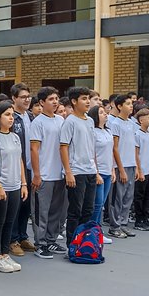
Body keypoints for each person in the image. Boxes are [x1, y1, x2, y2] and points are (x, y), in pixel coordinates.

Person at [0, 100, 27, 274]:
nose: (11, 118)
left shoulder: (15, 137)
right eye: (7, 115)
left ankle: (5, 253)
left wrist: (23, 183)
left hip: (15, 185)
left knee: (10, 221)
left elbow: (20, 161)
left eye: (12, 115)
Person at [59, 87, 100, 250]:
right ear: (74, 102)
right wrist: (68, 172)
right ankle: (72, 244)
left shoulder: (90, 120)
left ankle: (84, 242)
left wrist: (96, 171)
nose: (88, 101)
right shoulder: (70, 121)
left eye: (88, 98)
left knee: (88, 210)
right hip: (76, 172)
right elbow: (63, 147)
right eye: (83, 98)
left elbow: (92, 148)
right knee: (75, 211)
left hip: (90, 171)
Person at [30, 86, 66, 258]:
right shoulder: (37, 122)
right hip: (43, 174)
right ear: (42, 103)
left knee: (55, 210)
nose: (55, 102)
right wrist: (37, 174)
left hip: (59, 173)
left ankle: (51, 240)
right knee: (40, 212)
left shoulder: (60, 120)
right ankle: (40, 243)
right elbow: (34, 150)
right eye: (51, 99)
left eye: (56, 98)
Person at [8, 83, 35, 257]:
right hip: (16, 167)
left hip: (30, 167)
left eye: (28, 97)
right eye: (23, 97)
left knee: (26, 205)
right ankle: (13, 239)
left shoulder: (31, 116)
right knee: (16, 205)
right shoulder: (11, 118)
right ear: (14, 98)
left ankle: (23, 235)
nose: (27, 100)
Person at [108, 95, 137, 239]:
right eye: (128, 104)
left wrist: (136, 166)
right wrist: (120, 168)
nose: (131, 106)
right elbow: (115, 148)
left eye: (131, 104)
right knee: (118, 197)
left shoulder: (131, 123)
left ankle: (124, 224)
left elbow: (133, 146)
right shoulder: (115, 124)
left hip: (131, 164)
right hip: (121, 165)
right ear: (119, 106)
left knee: (128, 197)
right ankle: (115, 226)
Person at [89, 104, 115, 243]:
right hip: (97, 173)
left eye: (105, 112)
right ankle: (93, 230)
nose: (105, 114)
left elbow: (110, 151)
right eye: (101, 112)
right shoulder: (93, 132)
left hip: (108, 171)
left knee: (102, 203)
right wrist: (97, 173)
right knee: (97, 204)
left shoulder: (108, 131)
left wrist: (112, 170)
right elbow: (92, 154)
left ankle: (98, 231)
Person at [133, 107, 149, 231]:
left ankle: (145, 218)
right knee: (139, 196)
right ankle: (139, 219)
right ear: (141, 120)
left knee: (148, 196)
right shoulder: (137, 134)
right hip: (142, 170)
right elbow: (136, 153)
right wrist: (139, 170)